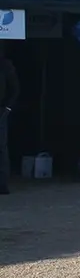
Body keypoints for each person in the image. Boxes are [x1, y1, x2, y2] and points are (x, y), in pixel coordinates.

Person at [0, 42, 16, 195]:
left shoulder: (5, 65)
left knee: (1, 148)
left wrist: (7, 107)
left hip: (1, 110)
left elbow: (14, 87)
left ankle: (2, 184)